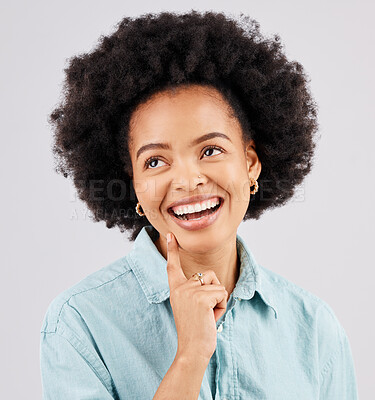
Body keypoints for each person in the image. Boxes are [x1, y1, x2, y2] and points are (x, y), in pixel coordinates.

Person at [40, 10, 358, 400]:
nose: (189, 181)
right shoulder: (80, 324)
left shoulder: (314, 330)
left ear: (250, 163)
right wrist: (190, 357)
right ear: (133, 184)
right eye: (155, 161)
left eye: (210, 150)